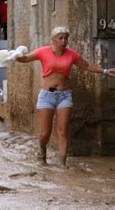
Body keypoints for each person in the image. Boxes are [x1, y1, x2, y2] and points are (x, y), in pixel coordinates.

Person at [15, 26, 115, 167]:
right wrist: (13, 56)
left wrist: (105, 70)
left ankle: (62, 164)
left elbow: (86, 66)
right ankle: (42, 152)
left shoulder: (71, 54)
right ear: (53, 40)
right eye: (60, 38)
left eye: (66, 38)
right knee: (45, 133)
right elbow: (25, 58)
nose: (64, 41)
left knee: (63, 131)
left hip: (64, 96)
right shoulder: (43, 52)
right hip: (47, 96)